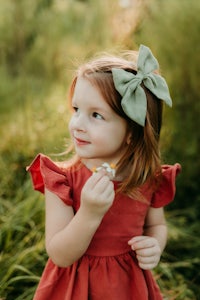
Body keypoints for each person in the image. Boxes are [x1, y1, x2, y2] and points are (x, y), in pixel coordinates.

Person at [27, 44, 181, 300]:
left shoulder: (147, 178)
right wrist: (89, 213)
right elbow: (59, 254)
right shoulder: (62, 180)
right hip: (75, 286)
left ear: (132, 133)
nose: (77, 124)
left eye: (96, 115)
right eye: (76, 110)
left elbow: (157, 224)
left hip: (128, 287)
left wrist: (155, 244)